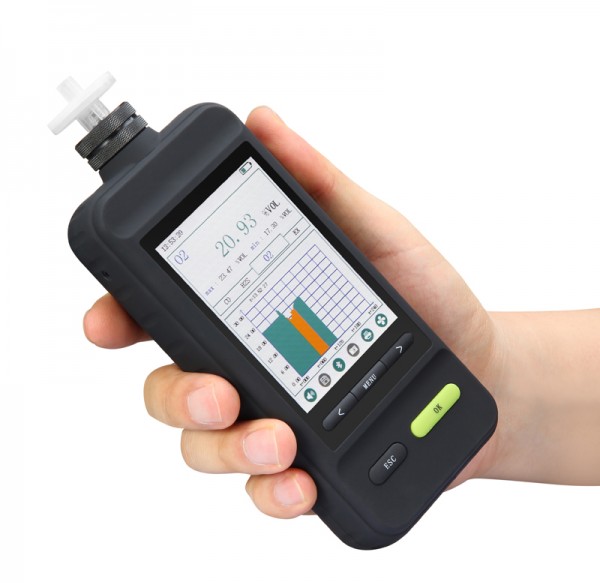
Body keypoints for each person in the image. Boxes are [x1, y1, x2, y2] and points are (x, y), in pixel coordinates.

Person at [83, 107, 600, 519]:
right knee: (218, 401)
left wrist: (500, 379)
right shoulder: (193, 146)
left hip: (406, 399)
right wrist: (501, 381)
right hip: (385, 412)